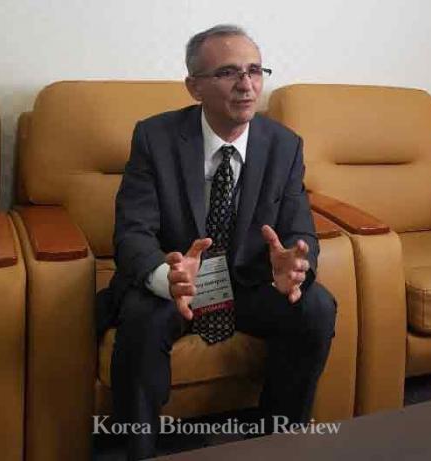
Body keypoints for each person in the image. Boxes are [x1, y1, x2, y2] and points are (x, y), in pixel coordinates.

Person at [98, 24, 337, 460]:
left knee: (316, 306)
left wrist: (297, 264)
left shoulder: (284, 145)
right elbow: (132, 230)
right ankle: (138, 448)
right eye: (228, 72)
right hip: (176, 283)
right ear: (195, 87)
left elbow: (299, 230)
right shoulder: (155, 137)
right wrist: (167, 277)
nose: (247, 85)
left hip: (247, 283)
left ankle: (278, 440)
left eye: (254, 71)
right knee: (143, 318)